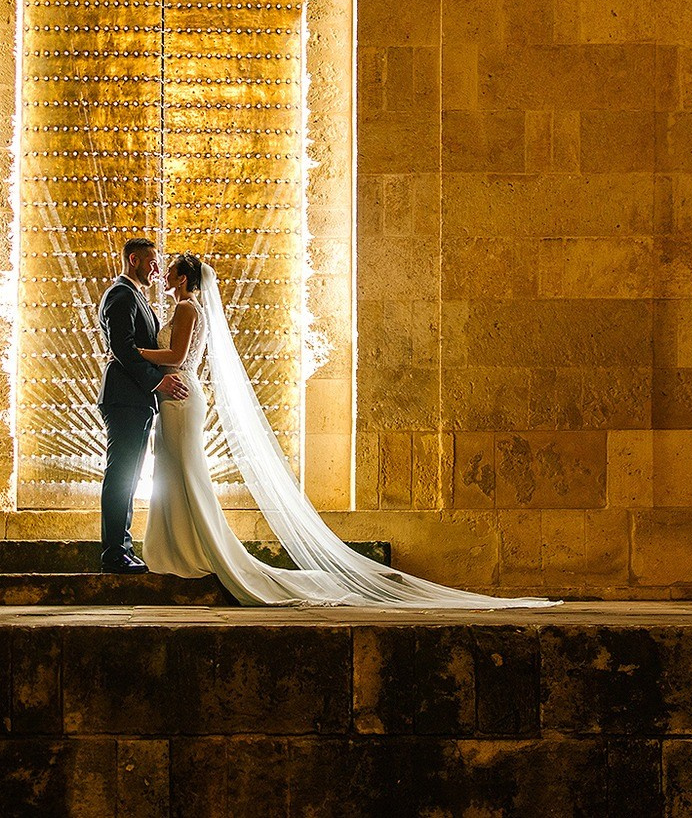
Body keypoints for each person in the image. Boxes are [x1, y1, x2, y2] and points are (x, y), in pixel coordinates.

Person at [126, 250, 553, 609]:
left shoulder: (185, 308)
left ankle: (195, 552)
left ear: (183, 278)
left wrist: (131, 354)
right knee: (175, 474)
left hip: (179, 396)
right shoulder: (187, 308)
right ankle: (180, 549)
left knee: (184, 473)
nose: (163, 275)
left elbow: (177, 353)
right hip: (177, 397)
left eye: (170, 270)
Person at [95, 237, 190, 572]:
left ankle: (123, 547)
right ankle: (114, 555)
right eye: (151, 262)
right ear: (133, 259)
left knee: (131, 474)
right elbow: (122, 348)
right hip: (124, 398)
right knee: (121, 473)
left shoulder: (139, 299)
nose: (156, 269)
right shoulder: (121, 295)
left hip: (136, 400)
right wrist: (156, 381)